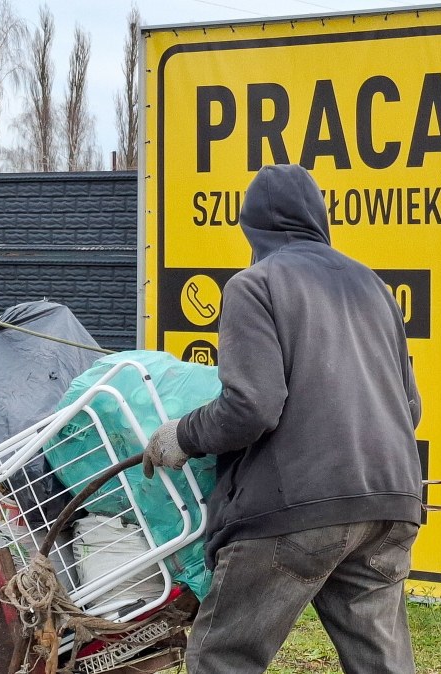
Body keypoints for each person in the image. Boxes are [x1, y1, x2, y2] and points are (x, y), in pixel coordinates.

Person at [142, 164, 424, 674]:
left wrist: (181, 435)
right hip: (391, 503)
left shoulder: (256, 284)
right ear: (318, 219)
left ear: (253, 230)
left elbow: (252, 406)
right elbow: (412, 409)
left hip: (297, 507)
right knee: (382, 664)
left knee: (223, 657)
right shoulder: (376, 289)